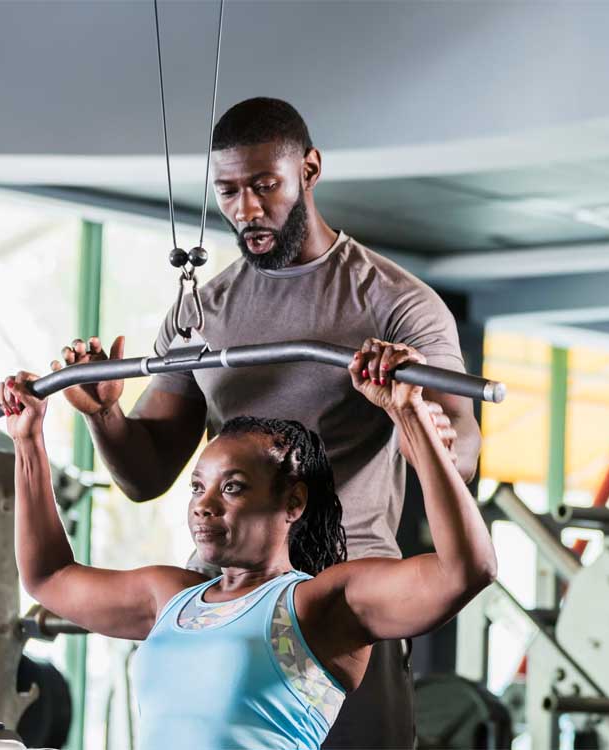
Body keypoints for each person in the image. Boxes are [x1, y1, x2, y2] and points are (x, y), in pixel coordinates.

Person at [54, 98, 481, 747]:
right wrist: (106, 416)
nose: (246, 209)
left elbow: (461, 447)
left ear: (309, 170)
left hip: (343, 609)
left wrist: (422, 424)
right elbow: (146, 475)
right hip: (225, 603)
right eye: (228, 191)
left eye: (264, 185)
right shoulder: (202, 313)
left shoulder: (395, 303)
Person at [0, 340, 496, 750]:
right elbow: (49, 577)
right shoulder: (171, 601)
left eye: (231, 487)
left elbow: (466, 571)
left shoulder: (318, 607)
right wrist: (28, 440)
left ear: (293, 502)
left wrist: (409, 414)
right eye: (198, 487)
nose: (203, 505)